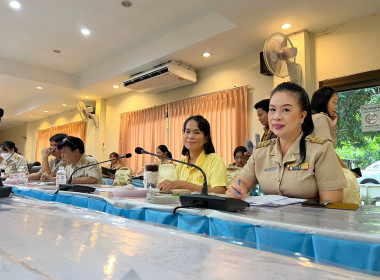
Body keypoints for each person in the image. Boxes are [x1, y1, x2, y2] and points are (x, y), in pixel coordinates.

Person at [227, 82, 346, 203]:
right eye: (272, 109)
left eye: (286, 110)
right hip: (268, 220)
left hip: (307, 221)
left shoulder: (321, 150)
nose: (276, 117)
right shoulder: (261, 152)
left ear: (302, 116)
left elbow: (332, 207)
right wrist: (236, 189)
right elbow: (242, 182)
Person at [311, 86, 361, 204]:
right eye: (333, 102)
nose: (336, 106)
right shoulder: (322, 118)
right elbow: (328, 151)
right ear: (324, 101)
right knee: (349, 179)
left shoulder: (312, 118)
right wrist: (347, 169)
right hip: (323, 171)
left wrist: (331, 126)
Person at [158, 115, 227, 194]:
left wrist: (184, 185)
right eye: (187, 132)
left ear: (206, 138)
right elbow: (174, 189)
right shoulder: (181, 163)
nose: (190, 136)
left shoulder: (215, 160)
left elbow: (221, 191)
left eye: (196, 132)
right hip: (180, 205)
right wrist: (165, 187)